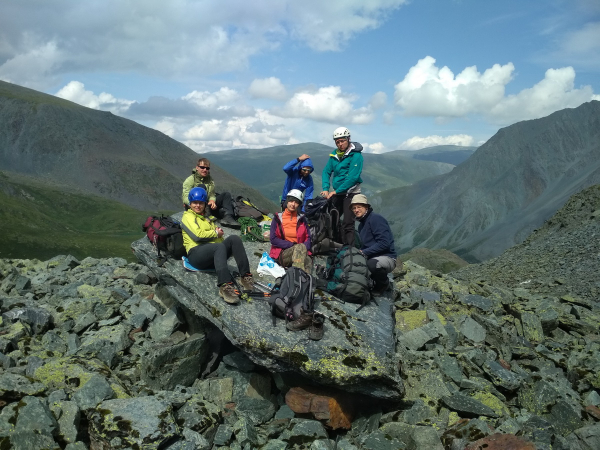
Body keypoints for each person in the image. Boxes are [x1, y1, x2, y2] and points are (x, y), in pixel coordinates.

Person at [181, 187, 254, 304]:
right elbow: (197, 236)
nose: (198, 206)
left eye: (201, 203)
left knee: (234, 239)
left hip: (211, 254)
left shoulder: (206, 218)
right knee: (219, 247)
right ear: (190, 204)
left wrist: (219, 235)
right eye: (195, 203)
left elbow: (218, 238)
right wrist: (215, 233)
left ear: (205, 204)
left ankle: (245, 276)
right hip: (196, 254)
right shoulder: (187, 217)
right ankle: (224, 286)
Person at [320, 127, 364, 246]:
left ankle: (349, 249)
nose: (340, 144)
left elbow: (353, 177)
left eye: (342, 141)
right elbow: (326, 171)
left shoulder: (356, 155)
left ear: (348, 139)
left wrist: (336, 191)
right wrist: (325, 188)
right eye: (337, 142)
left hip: (351, 192)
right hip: (338, 192)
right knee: (331, 217)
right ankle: (334, 243)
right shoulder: (334, 154)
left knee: (348, 222)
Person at [350, 194, 397, 294]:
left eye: (359, 207)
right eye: (354, 208)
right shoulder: (361, 225)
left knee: (372, 265)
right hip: (371, 256)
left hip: (387, 257)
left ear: (366, 207)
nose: (356, 210)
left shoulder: (376, 219)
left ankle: (383, 285)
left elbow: (385, 243)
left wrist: (364, 252)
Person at [182, 158, 239, 228]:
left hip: (207, 206)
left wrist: (212, 200)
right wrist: (191, 204)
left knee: (226, 195)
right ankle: (205, 217)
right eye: (202, 167)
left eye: (207, 168)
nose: (205, 170)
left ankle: (228, 218)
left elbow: (212, 194)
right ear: (197, 168)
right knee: (201, 188)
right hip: (196, 206)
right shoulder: (190, 180)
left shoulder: (210, 180)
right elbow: (185, 196)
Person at [269, 189, 312, 273]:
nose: (293, 204)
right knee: (300, 250)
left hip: (300, 250)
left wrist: (304, 248)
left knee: (308, 261)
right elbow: (273, 239)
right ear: (287, 202)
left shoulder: (302, 219)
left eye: (296, 202)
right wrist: (292, 245)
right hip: (284, 253)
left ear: (299, 205)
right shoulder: (278, 219)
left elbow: (308, 237)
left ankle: (303, 280)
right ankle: (297, 276)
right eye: (291, 201)